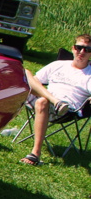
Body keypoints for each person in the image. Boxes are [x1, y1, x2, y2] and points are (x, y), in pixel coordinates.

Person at [20, 35, 91, 165]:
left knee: (42, 101)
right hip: (49, 99)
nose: (81, 52)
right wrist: (52, 98)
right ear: (73, 48)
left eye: (87, 49)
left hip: (67, 110)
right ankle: (55, 100)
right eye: (78, 48)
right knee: (25, 73)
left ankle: (35, 153)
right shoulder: (58, 65)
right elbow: (35, 81)